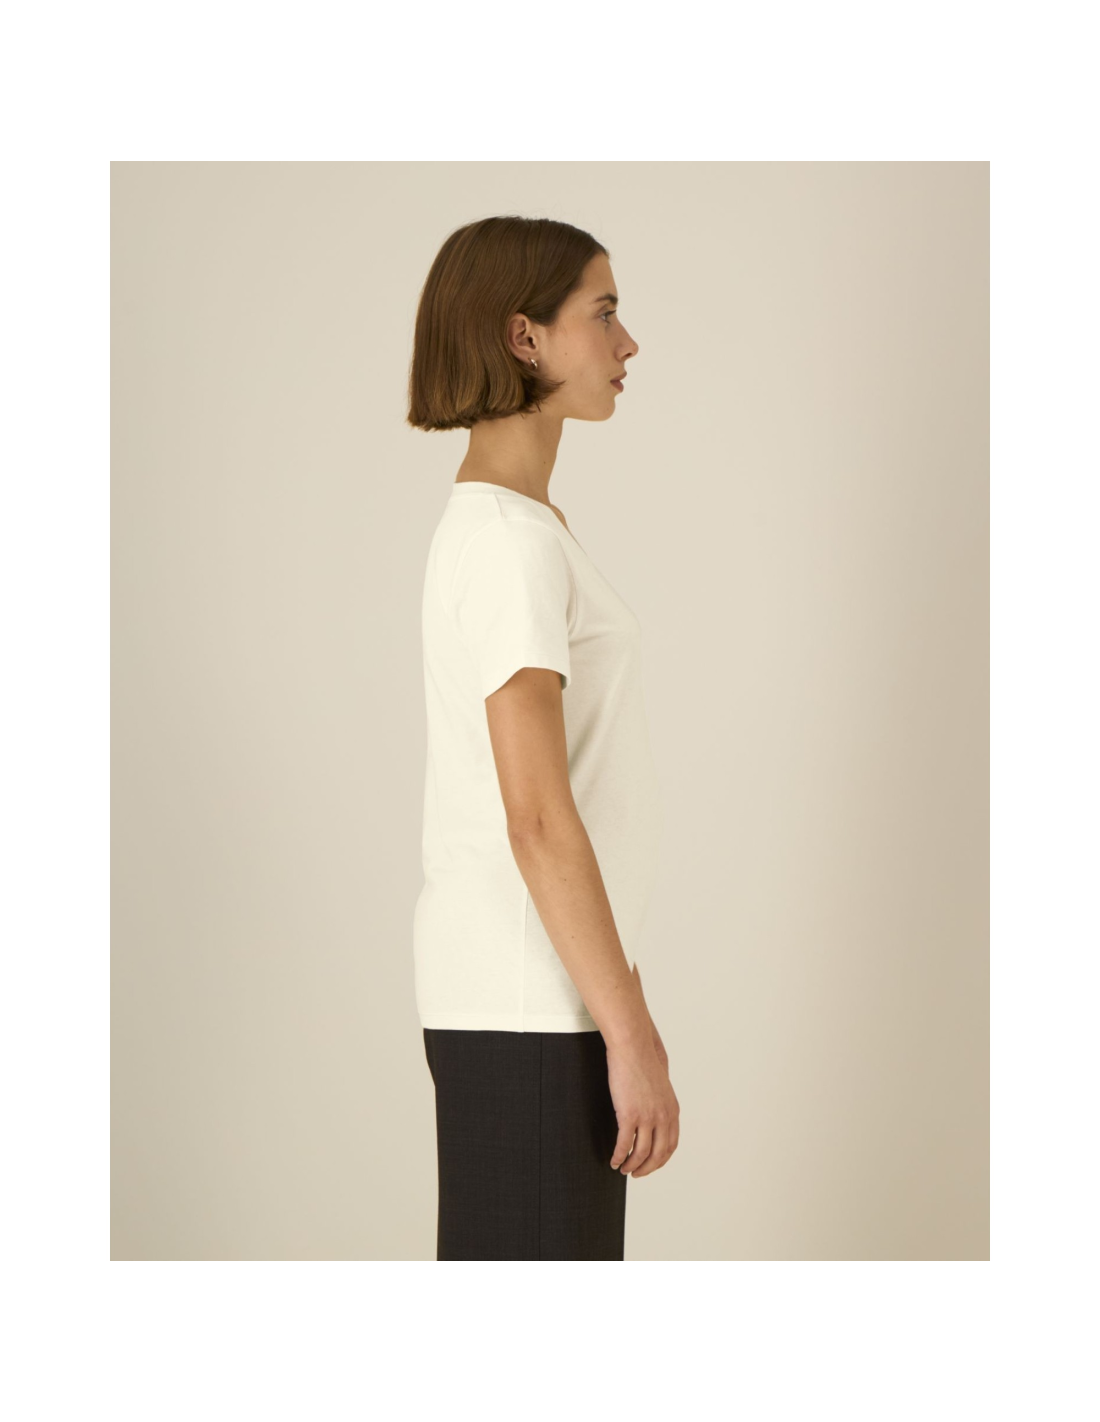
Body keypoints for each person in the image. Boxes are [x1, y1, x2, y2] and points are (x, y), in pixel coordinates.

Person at [406, 215, 679, 1260]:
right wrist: (631, 1033)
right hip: (528, 1001)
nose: (627, 342)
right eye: (602, 313)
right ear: (524, 337)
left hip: (534, 994)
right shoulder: (508, 544)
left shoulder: (516, 530)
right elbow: (534, 815)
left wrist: (617, 1008)